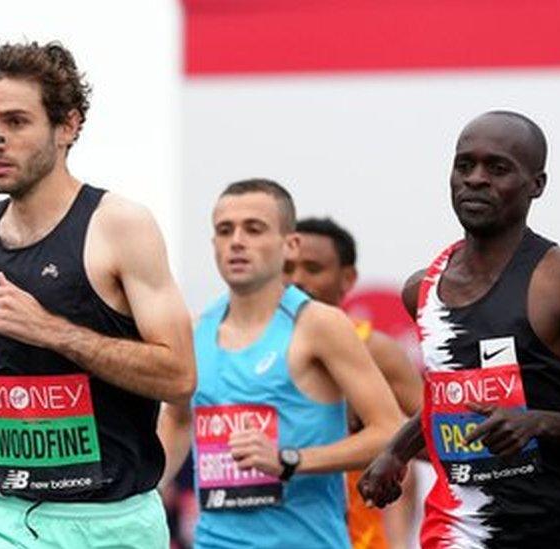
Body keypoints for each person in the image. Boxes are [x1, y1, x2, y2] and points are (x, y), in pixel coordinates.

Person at [0, 41, 196, 548]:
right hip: (1, 515)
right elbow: (13, 313)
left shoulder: (120, 226)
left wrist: (54, 332)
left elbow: (178, 375)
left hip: (110, 522)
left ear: (68, 126)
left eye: (16, 121)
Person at [358, 111, 560, 548]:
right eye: (464, 165)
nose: (475, 179)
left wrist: (538, 424)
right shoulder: (423, 290)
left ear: (537, 184)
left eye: (498, 168)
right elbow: (447, 399)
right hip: (462, 529)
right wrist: (396, 452)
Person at [157, 179, 402, 549]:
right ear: (214, 245)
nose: (237, 241)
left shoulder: (319, 325)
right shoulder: (194, 331)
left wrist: (290, 460)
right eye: (225, 231)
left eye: (254, 229)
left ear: (291, 245)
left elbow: (389, 431)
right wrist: (140, 489)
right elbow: (177, 422)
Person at [288, 217, 423, 549]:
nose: (297, 280)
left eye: (313, 268)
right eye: (287, 268)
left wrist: (385, 438)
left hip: (355, 540)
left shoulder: (375, 351)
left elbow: (437, 439)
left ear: (347, 278)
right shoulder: (245, 349)